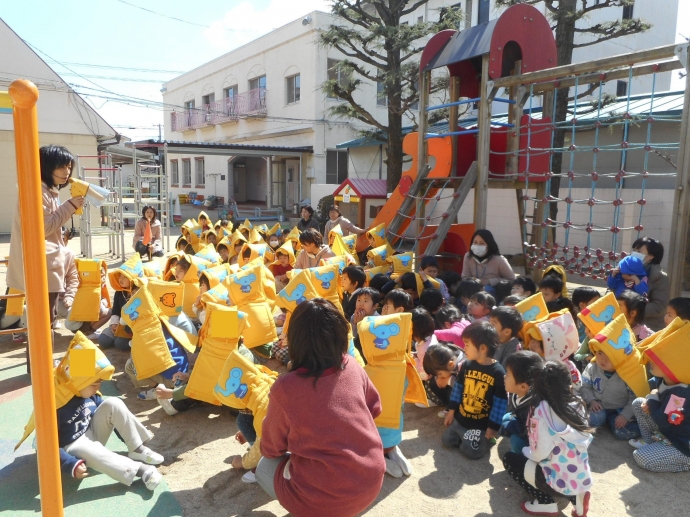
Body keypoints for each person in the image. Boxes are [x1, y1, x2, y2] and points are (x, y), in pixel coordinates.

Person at [256, 299, 386, 516]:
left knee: (264, 466)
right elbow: (374, 408)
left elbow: (271, 448)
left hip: (323, 500)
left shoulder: (286, 388)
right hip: (370, 483)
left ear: (295, 339)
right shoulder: (352, 365)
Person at [7, 145, 85, 349]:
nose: (66, 172)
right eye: (61, 167)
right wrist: (70, 206)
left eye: (69, 167)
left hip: (46, 261)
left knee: (44, 318)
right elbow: (45, 226)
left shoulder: (47, 190)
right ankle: (41, 370)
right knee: (43, 320)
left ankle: (39, 367)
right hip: (41, 264)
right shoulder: (37, 191)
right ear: (46, 166)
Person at [502, 361, 593, 517]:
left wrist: (525, 451)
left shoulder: (542, 413)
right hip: (579, 476)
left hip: (554, 477)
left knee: (510, 459)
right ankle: (577, 496)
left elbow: (539, 454)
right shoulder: (578, 405)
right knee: (563, 462)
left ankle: (546, 503)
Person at [443, 321, 507, 460]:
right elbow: (458, 388)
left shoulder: (498, 372)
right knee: (447, 441)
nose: (464, 348)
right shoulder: (466, 364)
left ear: (482, 348)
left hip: (480, 424)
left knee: (472, 453)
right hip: (461, 418)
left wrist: (493, 427)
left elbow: (500, 403)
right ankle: (464, 435)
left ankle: (484, 439)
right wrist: (451, 411)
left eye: (467, 344)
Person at [581, 348, 641, 441]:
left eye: (610, 356)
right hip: (598, 406)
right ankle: (605, 421)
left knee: (623, 433)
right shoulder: (592, 367)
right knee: (593, 420)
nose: (603, 359)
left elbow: (634, 398)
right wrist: (592, 401)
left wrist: (624, 415)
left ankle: (612, 421)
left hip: (619, 410)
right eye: (600, 353)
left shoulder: (628, 375)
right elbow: (584, 386)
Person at [501, 351, 543, 453]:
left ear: (523, 386)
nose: (504, 376)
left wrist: (515, 428)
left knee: (515, 440)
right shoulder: (520, 393)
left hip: (538, 443)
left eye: (508, 374)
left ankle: (523, 458)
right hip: (525, 423)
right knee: (507, 418)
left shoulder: (535, 408)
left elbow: (534, 433)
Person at [631, 237, 669, 331]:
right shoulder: (626, 270)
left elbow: (658, 307)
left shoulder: (660, 277)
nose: (634, 254)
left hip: (647, 329)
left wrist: (631, 310)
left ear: (650, 256)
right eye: (634, 250)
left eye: (639, 251)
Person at [422, 342, 466, 414]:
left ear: (451, 364)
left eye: (440, 374)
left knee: (453, 389)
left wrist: (449, 380)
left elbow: (465, 386)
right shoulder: (449, 359)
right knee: (432, 380)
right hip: (453, 377)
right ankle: (442, 403)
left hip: (466, 395)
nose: (439, 376)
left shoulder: (463, 366)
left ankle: (453, 409)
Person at [411, 307, 438, 379]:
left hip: (429, 380)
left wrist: (414, 360)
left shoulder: (425, 350)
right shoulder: (431, 337)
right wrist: (416, 354)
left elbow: (424, 375)